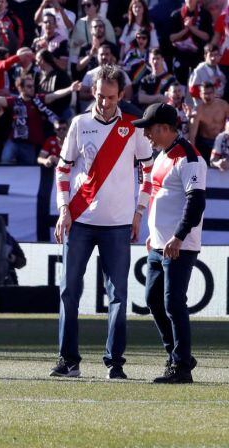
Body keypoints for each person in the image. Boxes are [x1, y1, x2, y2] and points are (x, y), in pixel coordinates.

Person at [53, 65, 153, 380]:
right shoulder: (80, 124)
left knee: (119, 295)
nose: (104, 102)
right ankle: (69, 361)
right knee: (69, 291)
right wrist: (64, 208)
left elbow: (148, 173)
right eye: (99, 96)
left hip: (120, 223)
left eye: (110, 97)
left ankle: (115, 363)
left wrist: (139, 213)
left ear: (121, 95)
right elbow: (63, 169)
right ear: (92, 92)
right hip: (80, 220)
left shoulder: (134, 127)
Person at [133, 102, 206, 384]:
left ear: (164, 128)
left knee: (173, 303)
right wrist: (155, 232)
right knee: (154, 300)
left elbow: (195, 202)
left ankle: (181, 367)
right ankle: (179, 355)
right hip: (160, 243)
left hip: (178, 245)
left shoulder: (189, 157)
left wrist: (178, 236)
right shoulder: (164, 155)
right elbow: (161, 197)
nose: (146, 135)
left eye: (149, 130)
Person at [187, 81, 229, 162]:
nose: (207, 96)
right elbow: (192, 136)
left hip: (221, 141)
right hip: (205, 143)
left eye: (210, 93)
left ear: (214, 93)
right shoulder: (197, 111)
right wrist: (192, 156)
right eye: (204, 93)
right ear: (200, 94)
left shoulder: (224, 105)